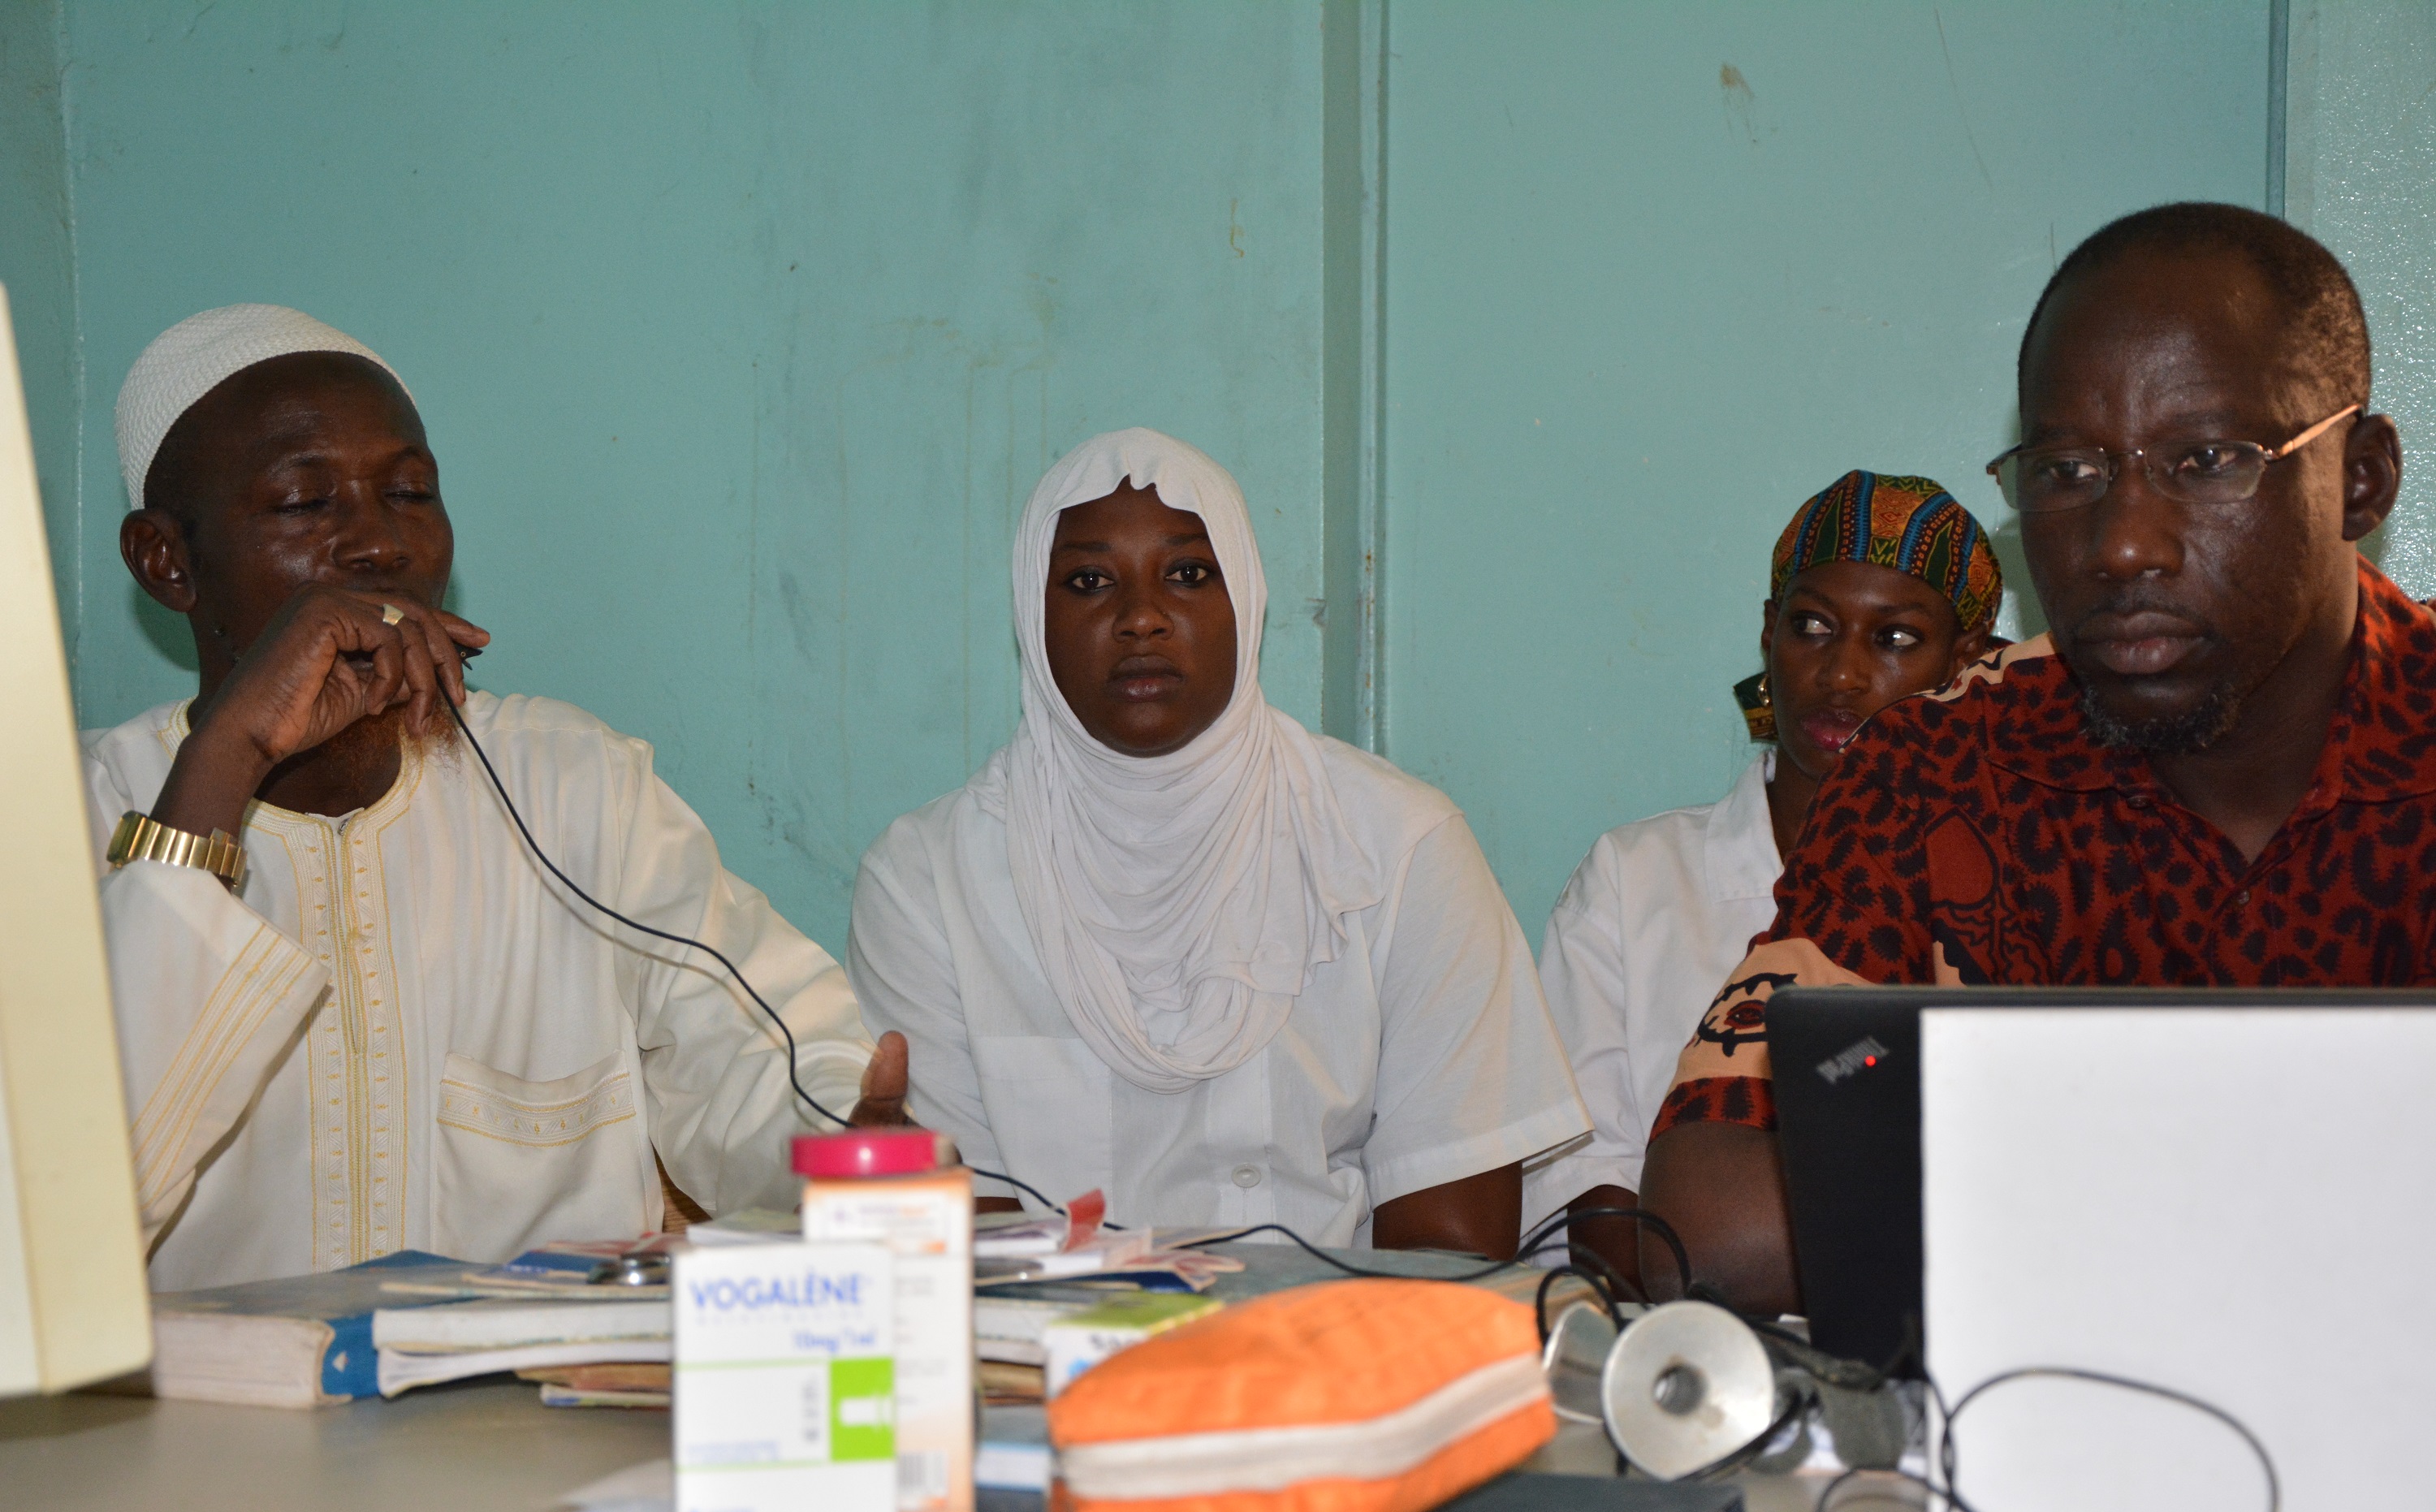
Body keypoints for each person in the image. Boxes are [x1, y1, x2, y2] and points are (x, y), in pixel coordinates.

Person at [1639, 202, 2428, 1313]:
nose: (2123, 543)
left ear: (2361, 479)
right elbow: (1713, 1226)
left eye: (2206, 460)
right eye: (2067, 470)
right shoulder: (1938, 768)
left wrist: (2028, 1160)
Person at [88, 305, 898, 1290]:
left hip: (537, 1384)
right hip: (207, 1390)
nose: (377, 543)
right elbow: (56, 1217)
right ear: (165, 560)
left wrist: (846, 1150)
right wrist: (231, 754)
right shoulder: (61, 816)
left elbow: (762, 1057)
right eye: (305, 502)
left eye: (408, 492)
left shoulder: (573, 786)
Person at [846, 429, 1588, 1255]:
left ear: (1247, 599)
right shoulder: (927, 880)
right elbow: (959, 1246)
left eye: (1189, 575)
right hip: (1048, 1334)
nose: (1141, 618)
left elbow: (1450, 1247)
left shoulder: (1399, 846)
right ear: (1032, 613)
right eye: (1089, 581)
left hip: (1331, 1331)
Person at [1530, 472, 2000, 1280]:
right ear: (1767, 631)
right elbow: (1585, 1181)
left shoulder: (2008, 895)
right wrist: (1677, 1332)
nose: (1841, 673)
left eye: (1894, 638)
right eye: (1811, 625)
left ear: (1965, 661)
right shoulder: (1636, 878)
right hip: (1668, 1328)